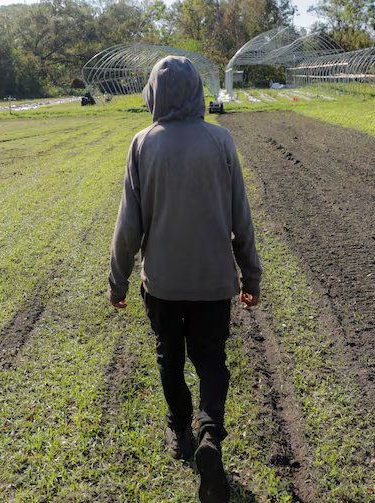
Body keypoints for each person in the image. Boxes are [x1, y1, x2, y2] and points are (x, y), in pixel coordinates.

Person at [108, 56, 262, 503]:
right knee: (212, 359)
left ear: (154, 94)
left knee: (169, 357)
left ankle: (180, 432)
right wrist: (250, 274)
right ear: (197, 91)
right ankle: (210, 430)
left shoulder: (142, 144)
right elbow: (242, 219)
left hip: (163, 285)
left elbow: (128, 227)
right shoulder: (221, 140)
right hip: (215, 282)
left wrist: (117, 282)